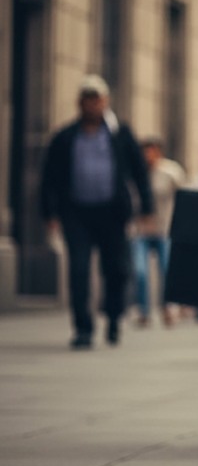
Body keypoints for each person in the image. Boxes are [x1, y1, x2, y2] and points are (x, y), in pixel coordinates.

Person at [39, 75, 154, 349]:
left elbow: (139, 173)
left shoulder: (120, 135)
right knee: (78, 270)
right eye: (86, 99)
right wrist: (49, 214)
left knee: (116, 269)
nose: (92, 104)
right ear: (79, 103)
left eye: (97, 99)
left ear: (105, 102)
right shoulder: (65, 137)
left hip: (112, 214)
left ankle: (113, 318)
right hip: (76, 213)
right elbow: (49, 178)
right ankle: (83, 328)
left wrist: (146, 208)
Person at [132, 138, 186, 328]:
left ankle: (169, 308)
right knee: (140, 271)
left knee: (167, 270)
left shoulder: (171, 172)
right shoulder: (135, 172)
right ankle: (144, 311)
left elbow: (183, 199)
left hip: (165, 230)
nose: (148, 157)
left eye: (151, 152)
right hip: (141, 231)